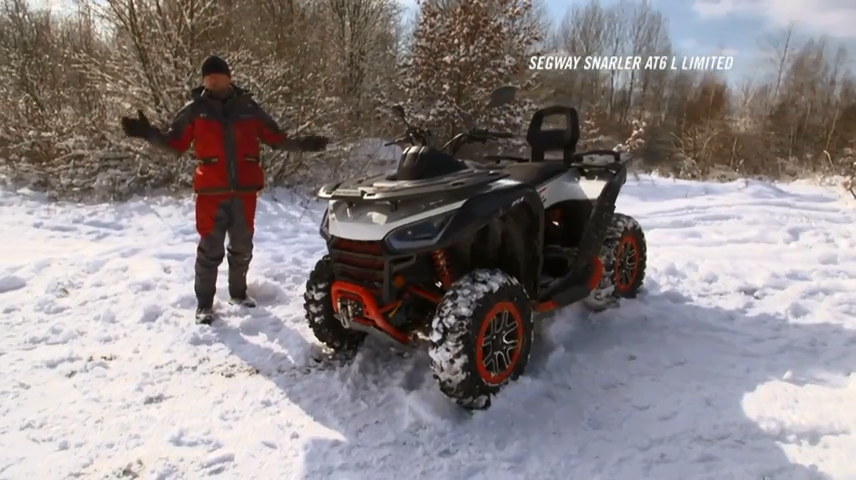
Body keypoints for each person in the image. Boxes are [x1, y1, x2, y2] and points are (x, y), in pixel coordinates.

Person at [120, 55, 329, 325]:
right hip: (211, 192)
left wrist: (304, 144)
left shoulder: (249, 108)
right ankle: (204, 305)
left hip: (244, 191)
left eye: (216, 74)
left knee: (242, 246)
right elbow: (176, 144)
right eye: (207, 76)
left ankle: (239, 294)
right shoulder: (195, 110)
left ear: (228, 77)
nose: (211, 79)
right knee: (210, 249)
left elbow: (277, 139)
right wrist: (148, 133)